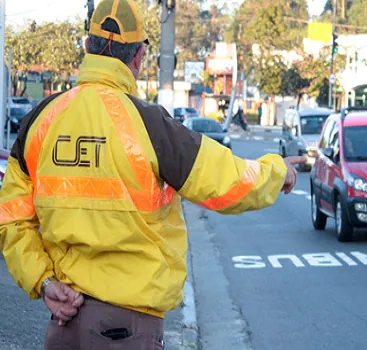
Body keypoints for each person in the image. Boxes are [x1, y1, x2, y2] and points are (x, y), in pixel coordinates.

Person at [0, 0, 305, 349]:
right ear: (140, 57)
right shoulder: (147, 124)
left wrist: (43, 282)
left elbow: (11, 219)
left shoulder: (41, 120)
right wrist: (277, 172)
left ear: (87, 46)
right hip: (127, 330)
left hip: (63, 324)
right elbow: (225, 180)